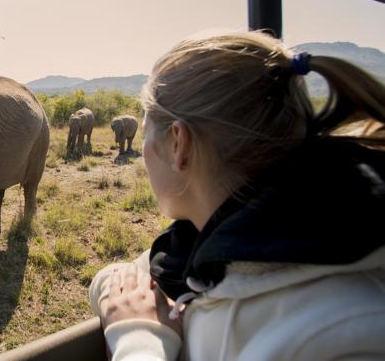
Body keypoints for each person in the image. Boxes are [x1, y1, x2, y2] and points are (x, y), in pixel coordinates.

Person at [89, 31, 385, 360]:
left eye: (146, 134)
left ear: (178, 144)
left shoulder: (348, 335)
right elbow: (114, 278)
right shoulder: (204, 246)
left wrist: (139, 342)